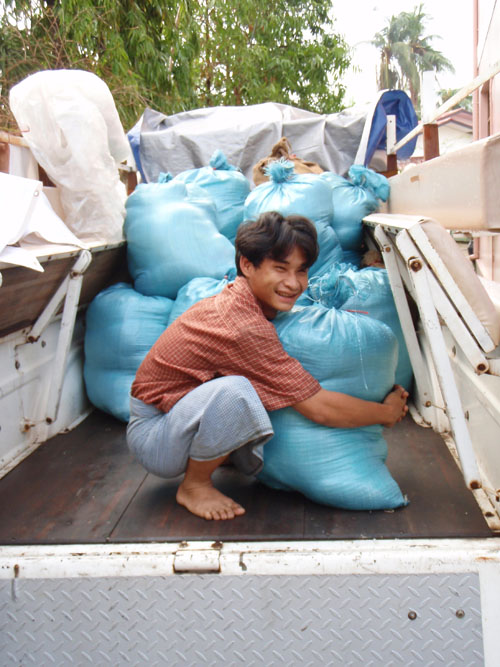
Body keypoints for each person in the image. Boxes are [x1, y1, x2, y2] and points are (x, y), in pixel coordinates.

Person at [127, 211, 408, 521]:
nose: (294, 283)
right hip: (155, 433)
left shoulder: (247, 301)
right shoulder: (241, 325)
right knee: (237, 391)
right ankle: (194, 486)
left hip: (177, 419)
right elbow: (319, 409)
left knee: (246, 387)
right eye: (280, 268)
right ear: (247, 265)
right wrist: (386, 413)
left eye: (302, 270)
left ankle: (217, 456)